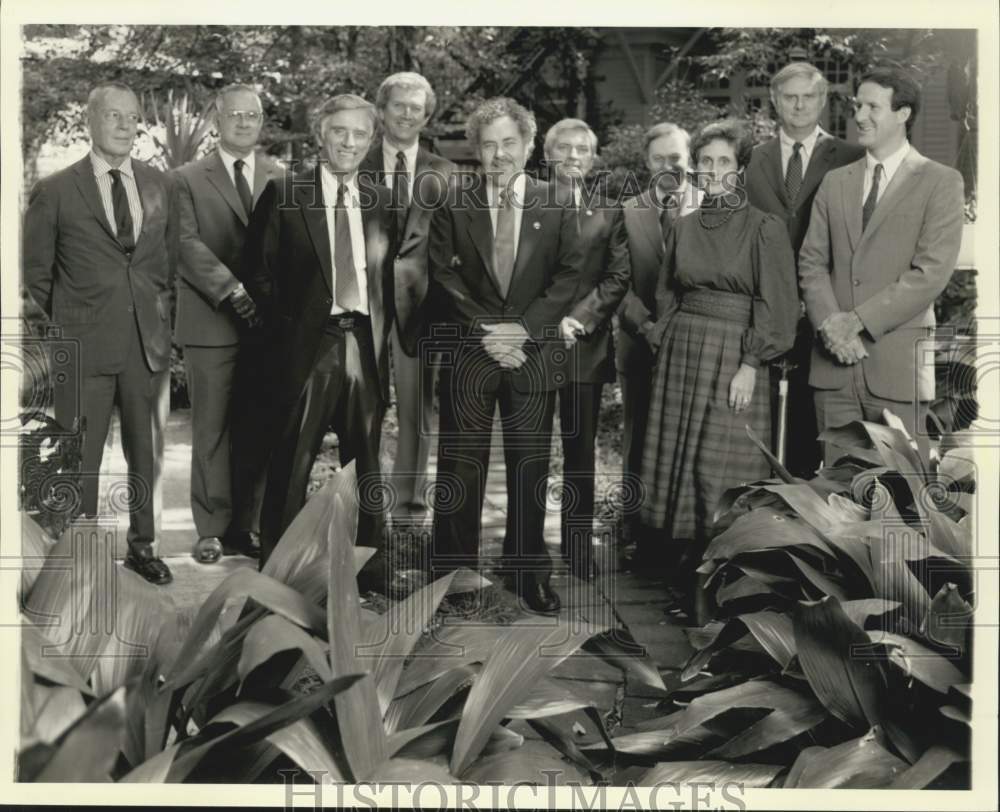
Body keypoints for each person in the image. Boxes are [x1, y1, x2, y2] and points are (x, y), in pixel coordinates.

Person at [428, 97, 582, 613]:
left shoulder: (557, 200)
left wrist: (522, 332)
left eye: (508, 144)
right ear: (477, 150)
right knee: (460, 468)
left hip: (532, 355)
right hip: (472, 352)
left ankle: (526, 571)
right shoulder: (454, 201)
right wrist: (486, 332)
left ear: (528, 144)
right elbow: (442, 277)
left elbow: (568, 277)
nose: (498, 155)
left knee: (530, 467)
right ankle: (453, 577)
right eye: (488, 145)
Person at [23, 81, 177, 585]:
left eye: (133, 117)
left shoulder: (160, 184)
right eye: (114, 116)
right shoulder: (56, 190)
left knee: (146, 457)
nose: (126, 125)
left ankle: (143, 547)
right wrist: (63, 337)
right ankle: (77, 555)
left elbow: (166, 265)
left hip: (145, 347)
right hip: (82, 349)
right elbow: (35, 277)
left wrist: (159, 320)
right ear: (90, 121)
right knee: (78, 460)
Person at [638, 119, 798, 588]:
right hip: (682, 353)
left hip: (733, 354)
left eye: (724, 161)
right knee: (681, 466)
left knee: (721, 467)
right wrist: (662, 339)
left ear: (741, 168)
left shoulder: (764, 228)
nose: (713, 171)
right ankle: (686, 578)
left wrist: (751, 364)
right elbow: (667, 292)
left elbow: (779, 305)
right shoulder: (684, 227)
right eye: (704, 161)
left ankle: (724, 585)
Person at [245, 94, 396, 586]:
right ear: (321, 135)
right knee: (292, 461)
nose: (349, 142)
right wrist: (290, 327)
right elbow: (257, 272)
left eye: (359, 134)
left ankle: (368, 570)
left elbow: (388, 276)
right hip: (308, 346)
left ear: (371, 141)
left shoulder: (379, 198)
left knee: (366, 463)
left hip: (363, 344)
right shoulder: (285, 192)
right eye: (339, 132)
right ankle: (281, 573)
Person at [799, 67, 964, 464]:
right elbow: (811, 263)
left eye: (873, 106)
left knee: (898, 504)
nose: (859, 116)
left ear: (903, 113)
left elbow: (929, 275)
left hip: (897, 369)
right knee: (832, 501)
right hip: (832, 371)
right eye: (858, 105)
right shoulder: (834, 182)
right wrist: (830, 327)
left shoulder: (940, 182)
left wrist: (853, 321)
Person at [173, 83, 287, 564]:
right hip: (210, 320)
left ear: (262, 122)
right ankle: (212, 527)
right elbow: (183, 242)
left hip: (267, 327)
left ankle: (251, 524)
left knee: (260, 427)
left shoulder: (282, 177)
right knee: (213, 429)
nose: (245, 122)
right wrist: (232, 289)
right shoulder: (184, 178)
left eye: (254, 114)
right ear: (216, 119)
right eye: (235, 114)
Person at [745, 62, 865, 477]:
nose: (799, 105)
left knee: (818, 421)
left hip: (825, 306)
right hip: (764, 305)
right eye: (790, 97)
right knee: (766, 418)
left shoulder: (852, 157)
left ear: (823, 101)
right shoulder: (752, 158)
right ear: (775, 102)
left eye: (808, 96)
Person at [359, 72, 455, 522]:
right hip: (364, 305)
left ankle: (410, 508)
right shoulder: (356, 164)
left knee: (418, 408)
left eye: (416, 108)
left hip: (422, 306)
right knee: (364, 406)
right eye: (399, 105)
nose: (407, 114)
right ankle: (364, 505)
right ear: (381, 111)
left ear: (426, 115)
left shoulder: (446, 173)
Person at [545, 118, 631, 581]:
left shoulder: (609, 212)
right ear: (548, 154)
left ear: (594, 158)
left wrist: (578, 319)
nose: (573, 155)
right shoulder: (526, 204)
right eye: (564, 148)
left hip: (583, 347)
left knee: (579, 451)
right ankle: (524, 548)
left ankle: (577, 548)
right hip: (535, 347)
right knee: (531, 450)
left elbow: (617, 277)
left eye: (583, 149)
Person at [616, 122, 702, 567]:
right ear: (646, 164)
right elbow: (616, 282)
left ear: (689, 158)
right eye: (658, 159)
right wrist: (646, 327)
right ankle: (635, 533)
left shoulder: (711, 209)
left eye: (676, 157)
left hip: (696, 350)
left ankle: (680, 536)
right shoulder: (628, 211)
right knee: (639, 438)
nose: (668, 166)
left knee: (687, 441)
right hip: (640, 344)